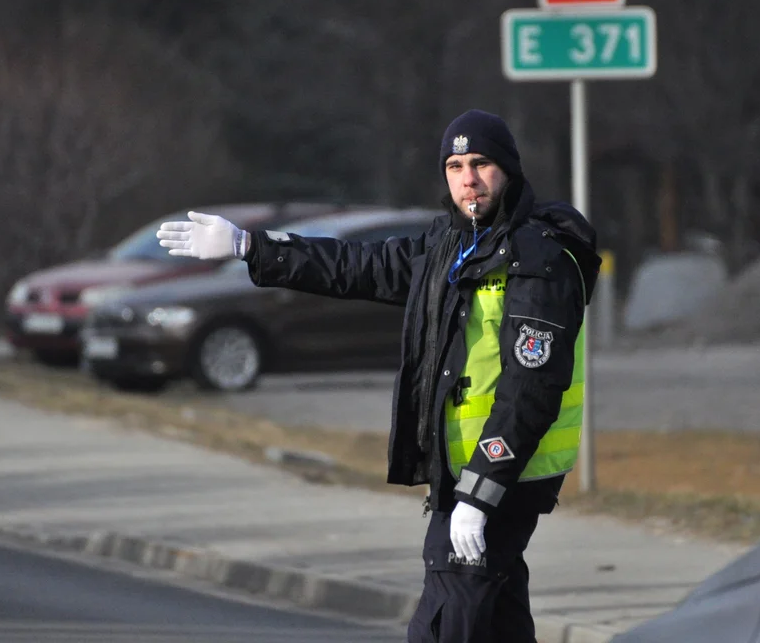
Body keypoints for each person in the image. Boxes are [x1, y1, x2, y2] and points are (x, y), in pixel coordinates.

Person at [157, 109, 600, 642]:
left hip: (505, 473)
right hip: (459, 471)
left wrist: (480, 495)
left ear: (507, 168)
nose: (468, 179)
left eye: (481, 163)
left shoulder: (537, 259)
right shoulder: (448, 247)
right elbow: (354, 266)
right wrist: (251, 248)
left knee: (443, 624)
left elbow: (531, 390)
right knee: (497, 622)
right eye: (455, 166)